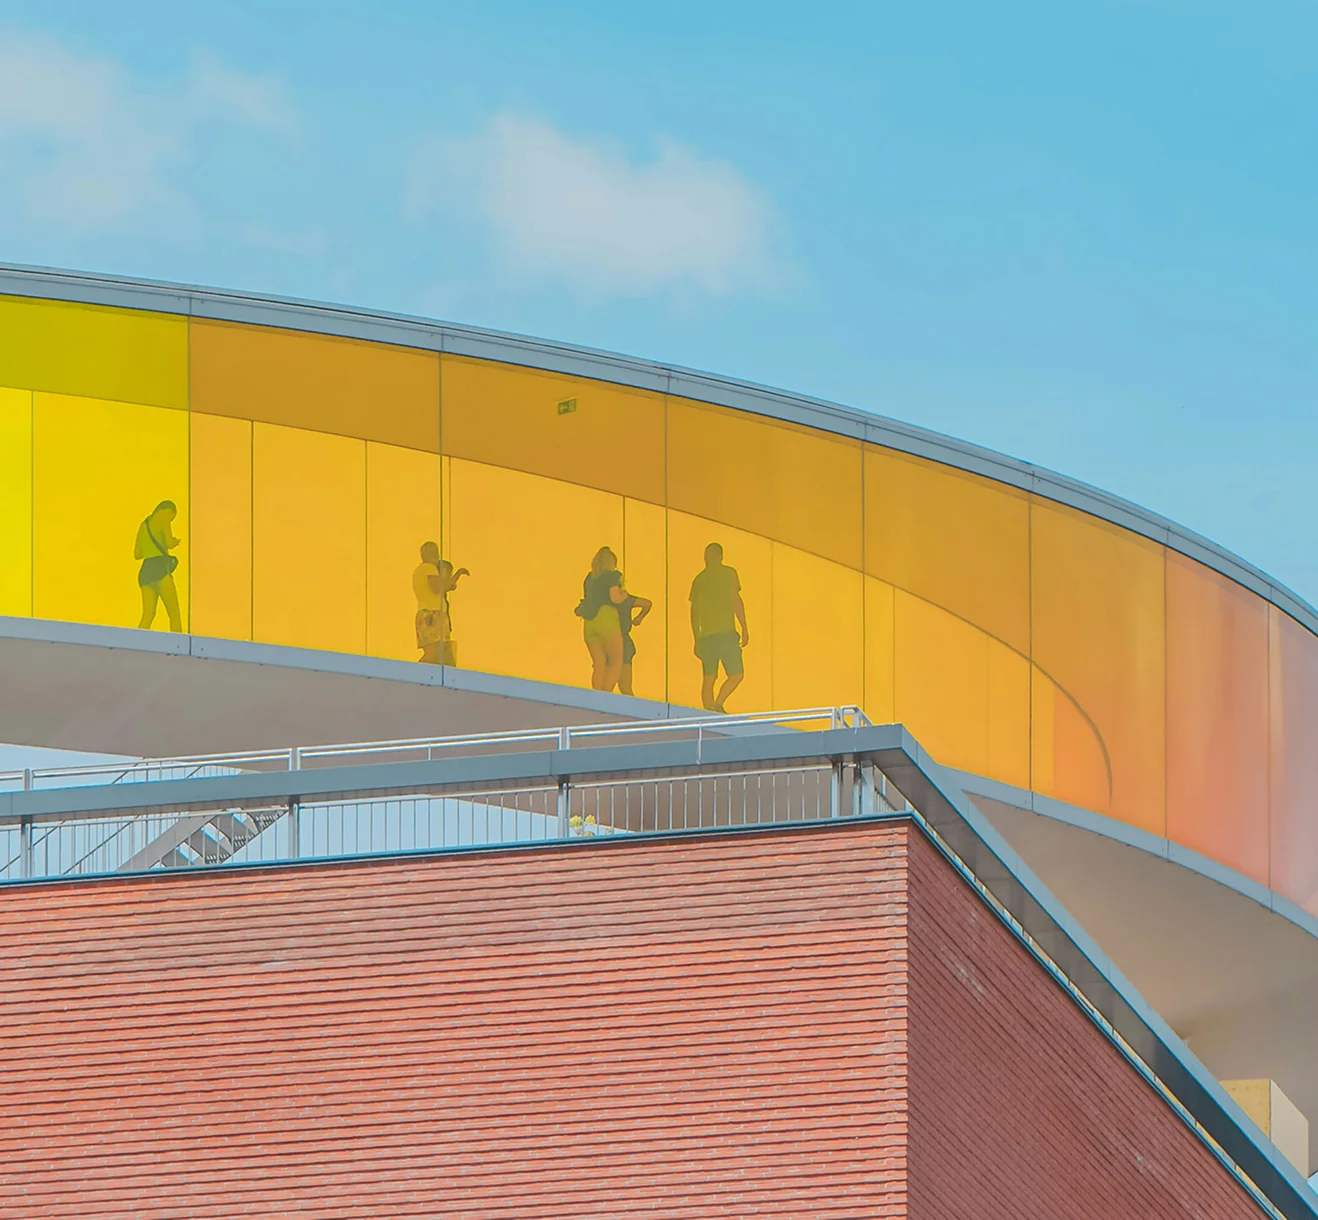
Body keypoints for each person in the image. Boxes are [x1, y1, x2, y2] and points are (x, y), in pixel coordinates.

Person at [689, 542, 749, 712]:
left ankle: (711, 708)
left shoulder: (700, 579)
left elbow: (694, 613)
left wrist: (696, 638)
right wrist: (744, 627)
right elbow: (736, 600)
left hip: (709, 636)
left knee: (710, 677)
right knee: (733, 674)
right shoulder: (727, 574)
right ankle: (716, 705)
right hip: (724, 634)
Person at [575, 546, 633, 692]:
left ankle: (597, 695)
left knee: (599, 663)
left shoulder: (589, 578)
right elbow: (615, 598)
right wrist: (624, 595)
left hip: (589, 623)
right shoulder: (612, 576)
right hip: (607, 619)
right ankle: (606, 694)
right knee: (615, 662)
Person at [412, 542, 468, 665]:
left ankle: (416, 674)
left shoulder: (420, 570)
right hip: (432, 613)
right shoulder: (428, 568)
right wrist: (457, 576)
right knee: (434, 653)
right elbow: (437, 587)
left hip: (428, 613)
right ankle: (414, 674)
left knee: (436, 653)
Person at [135, 501, 182, 632]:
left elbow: (137, 554)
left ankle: (137, 643)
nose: (171, 520)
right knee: (174, 613)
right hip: (159, 568)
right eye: (172, 517)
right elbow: (168, 543)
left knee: (148, 615)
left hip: (145, 571)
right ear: (168, 511)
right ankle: (178, 646)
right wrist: (175, 541)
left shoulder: (143, 525)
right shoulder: (164, 519)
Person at [616, 589, 653, 696]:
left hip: (618, 642)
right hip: (624, 641)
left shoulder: (606, 599)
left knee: (622, 686)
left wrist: (639, 618)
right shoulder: (625, 598)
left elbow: (647, 603)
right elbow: (647, 603)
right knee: (625, 686)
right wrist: (639, 618)